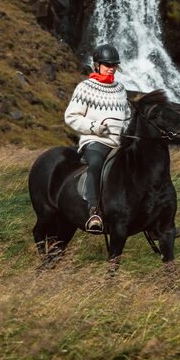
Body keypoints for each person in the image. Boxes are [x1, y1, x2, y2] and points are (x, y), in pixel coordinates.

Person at [64, 43, 129, 233]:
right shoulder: (85, 88)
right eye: (107, 64)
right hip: (95, 142)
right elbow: (71, 116)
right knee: (96, 164)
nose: (111, 68)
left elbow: (127, 116)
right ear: (96, 65)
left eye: (114, 65)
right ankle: (94, 212)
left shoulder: (120, 89)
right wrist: (95, 127)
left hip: (119, 143)